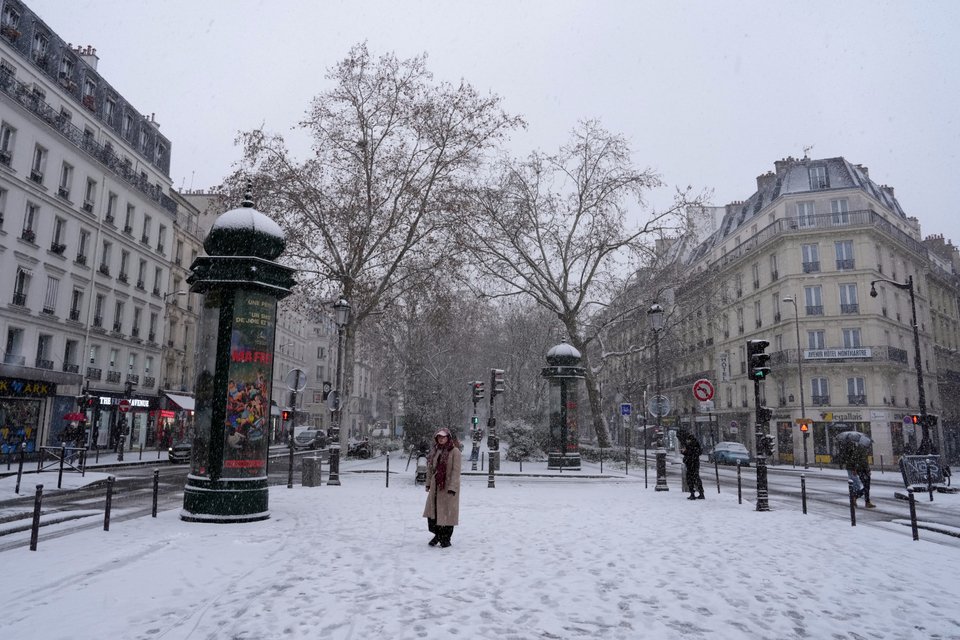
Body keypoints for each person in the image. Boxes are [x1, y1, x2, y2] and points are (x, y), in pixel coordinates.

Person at [422, 428, 461, 548]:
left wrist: (452, 487)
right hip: (436, 486)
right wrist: (428, 483)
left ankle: (445, 538)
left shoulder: (454, 451)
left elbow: (456, 471)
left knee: (447, 514)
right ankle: (437, 535)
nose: (441, 439)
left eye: (443, 437)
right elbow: (430, 469)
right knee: (434, 513)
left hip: (448, 487)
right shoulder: (435, 450)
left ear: (448, 438)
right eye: (439, 437)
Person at [680, 431, 705, 500]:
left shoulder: (691, 443)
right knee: (696, 477)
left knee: (691, 478)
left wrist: (686, 452)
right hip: (694, 462)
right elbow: (698, 451)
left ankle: (693, 493)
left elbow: (695, 451)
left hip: (691, 462)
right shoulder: (694, 442)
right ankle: (700, 492)